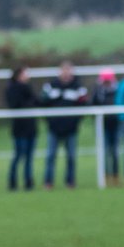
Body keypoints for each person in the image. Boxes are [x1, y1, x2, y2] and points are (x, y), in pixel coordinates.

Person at [40, 61, 89, 189]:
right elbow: (42, 102)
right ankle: (48, 182)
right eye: (64, 70)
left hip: (71, 128)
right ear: (60, 71)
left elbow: (84, 105)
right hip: (54, 128)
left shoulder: (78, 87)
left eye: (69, 70)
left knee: (71, 157)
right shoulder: (50, 86)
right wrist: (50, 120)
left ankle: (70, 182)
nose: (66, 73)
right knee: (50, 156)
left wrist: (75, 121)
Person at [5, 66, 38, 191]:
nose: (27, 76)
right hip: (19, 129)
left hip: (31, 128)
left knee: (29, 157)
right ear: (19, 75)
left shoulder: (28, 88)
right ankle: (12, 182)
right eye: (25, 73)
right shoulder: (11, 89)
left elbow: (36, 101)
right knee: (19, 155)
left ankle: (28, 182)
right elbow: (15, 104)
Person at [92, 69, 121, 187]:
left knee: (114, 152)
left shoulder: (118, 90)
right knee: (103, 152)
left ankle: (115, 176)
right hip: (102, 126)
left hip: (116, 124)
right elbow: (93, 104)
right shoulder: (98, 91)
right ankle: (104, 176)